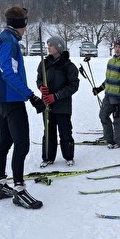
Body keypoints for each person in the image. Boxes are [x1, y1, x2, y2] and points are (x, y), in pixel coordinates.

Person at [0, 6, 46, 209]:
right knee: (22, 144)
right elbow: (8, 73)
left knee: (5, 141)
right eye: (25, 24)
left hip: (1, 100)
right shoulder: (9, 42)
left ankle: (0, 184)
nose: (25, 29)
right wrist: (31, 96)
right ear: (21, 25)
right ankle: (19, 190)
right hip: (11, 101)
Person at [36, 36, 79, 168]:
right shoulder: (44, 64)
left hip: (62, 106)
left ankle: (68, 156)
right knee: (48, 132)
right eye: (48, 45)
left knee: (65, 131)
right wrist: (40, 86)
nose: (48, 47)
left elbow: (73, 86)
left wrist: (56, 96)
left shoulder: (69, 66)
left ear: (59, 48)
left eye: (51, 45)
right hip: (47, 105)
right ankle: (48, 157)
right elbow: (39, 79)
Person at [92, 39, 120, 149]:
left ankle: (118, 142)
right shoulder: (111, 61)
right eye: (116, 46)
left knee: (117, 119)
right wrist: (99, 89)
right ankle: (109, 138)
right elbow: (109, 80)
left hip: (118, 97)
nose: (117, 49)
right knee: (103, 115)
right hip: (108, 95)